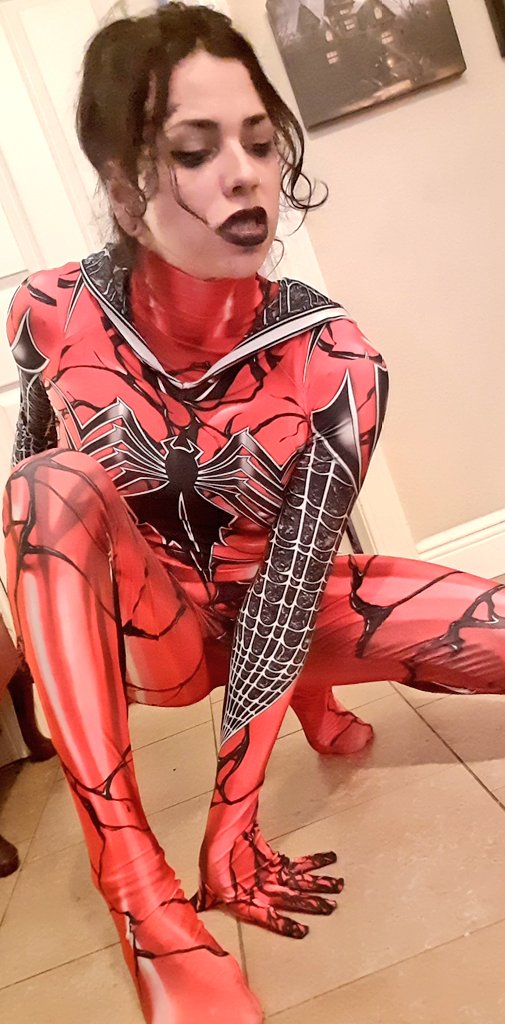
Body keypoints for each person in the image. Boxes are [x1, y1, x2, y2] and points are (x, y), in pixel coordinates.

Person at [2, 4, 504, 1022]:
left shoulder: (335, 358)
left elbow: (290, 586)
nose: (245, 176)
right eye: (195, 150)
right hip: (154, 633)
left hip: (282, 615)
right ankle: (136, 887)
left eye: (261, 142)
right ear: (121, 186)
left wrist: (233, 822)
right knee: (46, 485)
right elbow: (34, 477)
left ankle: (315, 703)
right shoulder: (47, 309)